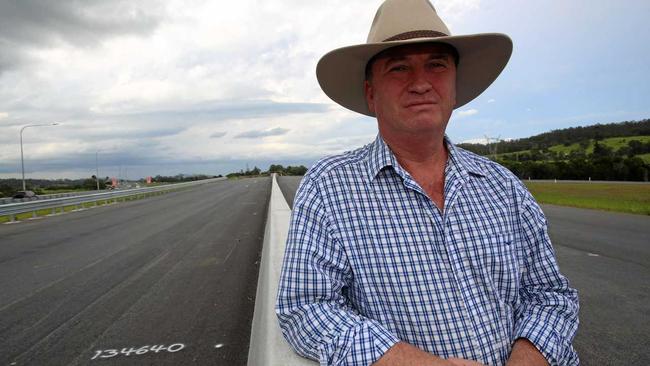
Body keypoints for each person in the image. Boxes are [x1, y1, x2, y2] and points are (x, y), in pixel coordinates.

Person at [275, 0, 579, 365]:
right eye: (399, 67)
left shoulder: (503, 185)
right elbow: (306, 307)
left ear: (454, 87)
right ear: (372, 94)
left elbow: (550, 295)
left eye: (436, 65)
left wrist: (527, 359)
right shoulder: (329, 187)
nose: (420, 83)